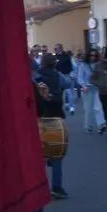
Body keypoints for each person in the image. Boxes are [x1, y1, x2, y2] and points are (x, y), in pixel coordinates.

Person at [10, 79, 52, 212]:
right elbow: (41, 110)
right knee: (32, 176)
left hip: (17, 136)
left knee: (17, 179)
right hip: (28, 135)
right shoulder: (30, 83)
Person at [34, 53, 71, 200]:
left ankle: (39, 187)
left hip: (39, 118)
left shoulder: (36, 76)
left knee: (39, 156)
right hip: (56, 118)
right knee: (56, 155)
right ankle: (57, 187)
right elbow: (68, 84)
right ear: (54, 64)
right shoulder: (58, 76)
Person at [77, 49, 106, 135]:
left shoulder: (98, 65)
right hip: (87, 88)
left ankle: (101, 124)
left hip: (97, 88)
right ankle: (88, 126)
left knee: (98, 107)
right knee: (88, 109)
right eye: (91, 55)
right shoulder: (83, 65)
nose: (93, 57)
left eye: (94, 55)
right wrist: (83, 85)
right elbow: (80, 77)